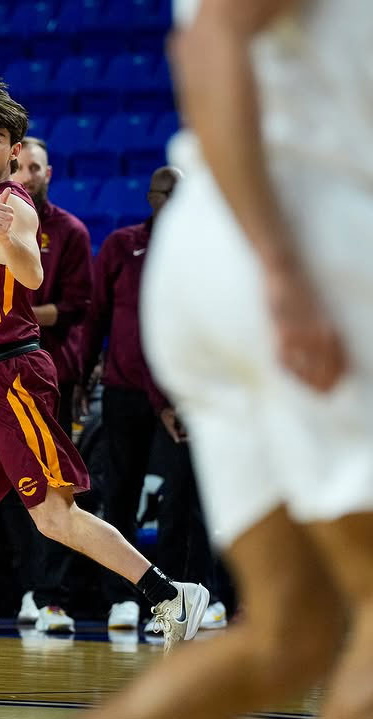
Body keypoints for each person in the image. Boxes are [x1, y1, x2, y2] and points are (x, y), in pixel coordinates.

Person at [87, 1, 373, 717]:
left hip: (223, 255)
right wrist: (279, 266)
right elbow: (211, 37)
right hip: (300, 238)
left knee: (291, 632)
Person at [0, 79, 209, 685]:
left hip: (14, 374)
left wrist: (6, 245)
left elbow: (27, 271)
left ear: (13, 149)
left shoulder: (11, 206)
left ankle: (169, 594)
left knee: (54, 515)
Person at [82, 165, 225, 631]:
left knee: (182, 498)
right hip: (126, 392)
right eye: (167, 190)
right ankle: (123, 599)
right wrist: (83, 375)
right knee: (120, 496)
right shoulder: (122, 246)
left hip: (183, 398)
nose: (176, 198)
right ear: (150, 195)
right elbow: (97, 315)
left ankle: (185, 594)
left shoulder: (203, 252)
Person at [7, 136, 94, 633]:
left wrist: (9, 314)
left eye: (34, 167)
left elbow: (76, 307)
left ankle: (51, 596)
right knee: (2, 491)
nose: (26, 174)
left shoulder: (70, 232)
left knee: (55, 490)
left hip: (48, 374)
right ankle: (26, 589)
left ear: (48, 173)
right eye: (19, 167)